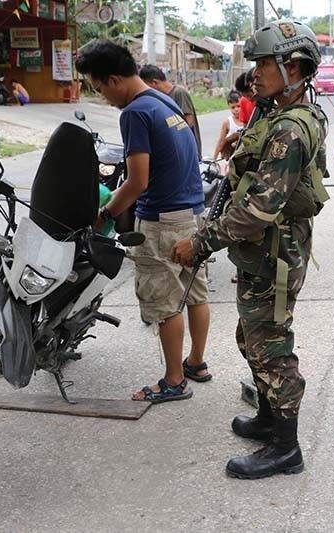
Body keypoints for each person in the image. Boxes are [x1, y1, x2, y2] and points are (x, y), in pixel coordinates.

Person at [172, 20, 329, 479]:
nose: (255, 74)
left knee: (271, 350)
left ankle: (286, 447)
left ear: (293, 68)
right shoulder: (278, 115)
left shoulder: (290, 129)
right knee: (252, 339)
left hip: (274, 253)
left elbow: (260, 208)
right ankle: (266, 418)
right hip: (263, 252)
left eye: (264, 64)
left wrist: (200, 242)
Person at [75, 40, 212, 403]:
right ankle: (196, 362)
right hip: (193, 216)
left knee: (164, 302)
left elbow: (137, 181)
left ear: (114, 79)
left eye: (99, 87)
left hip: (162, 220)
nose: (103, 97)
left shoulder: (134, 112)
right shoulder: (164, 101)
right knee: (195, 293)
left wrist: (106, 213)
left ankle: (174, 380)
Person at [139, 65, 203, 156]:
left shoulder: (179, 93)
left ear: (154, 82)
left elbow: (189, 121)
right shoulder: (159, 97)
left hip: (187, 150)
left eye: (146, 86)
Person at [211, 90, 245, 162]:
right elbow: (220, 141)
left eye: (238, 106)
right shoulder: (227, 123)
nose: (236, 109)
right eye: (233, 107)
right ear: (229, 107)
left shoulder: (247, 120)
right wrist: (214, 159)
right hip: (231, 159)